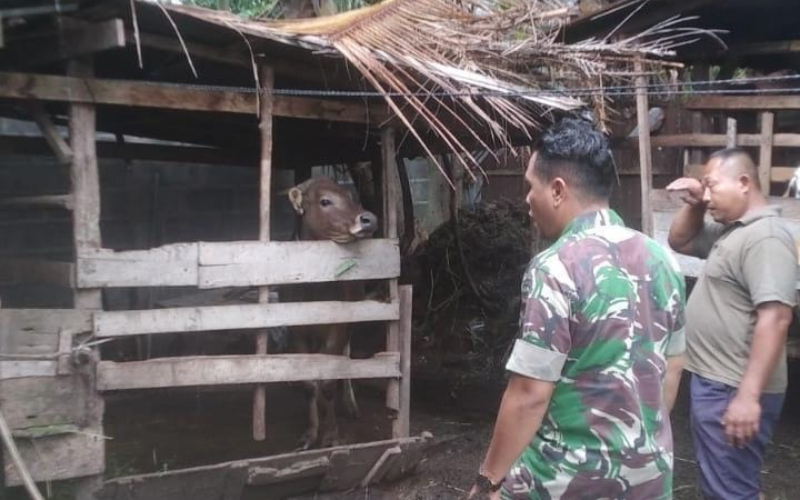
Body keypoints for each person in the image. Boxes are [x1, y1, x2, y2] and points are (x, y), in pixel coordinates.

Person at [468, 118, 687, 500]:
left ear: (557, 190)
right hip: (650, 476)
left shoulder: (555, 267)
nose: (526, 200)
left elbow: (530, 392)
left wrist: (488, 480)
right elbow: (673, 366)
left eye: (529, 187)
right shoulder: (662, 260)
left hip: (567, 481)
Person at [666, 148, 796, 500]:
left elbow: (777, 316)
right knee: (727, 484)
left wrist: (748, 397)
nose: (707, 195)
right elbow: (679, 240)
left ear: (743, 183)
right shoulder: (734, 230)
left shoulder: (765, 237)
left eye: (711, 186)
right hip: (719, 383)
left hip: (731, 388)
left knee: (729, 490)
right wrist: (694, 204)